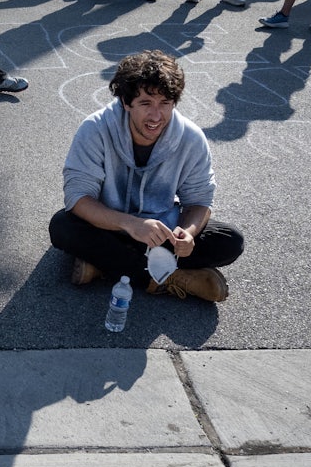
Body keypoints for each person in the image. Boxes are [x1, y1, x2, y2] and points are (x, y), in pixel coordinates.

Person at [48, 50, 245, 302]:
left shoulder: (191, 137)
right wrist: (131, 224)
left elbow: (200, 199)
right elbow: (78, 198)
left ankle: (106, 266)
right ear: (126, 103)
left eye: (165, 103)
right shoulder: (95, 129)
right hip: (111, 226)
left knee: (231, 241)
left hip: (162, 231)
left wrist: (188, 233)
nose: (156, 116)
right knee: (62, 226)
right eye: (145, 103)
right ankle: (169, 279)